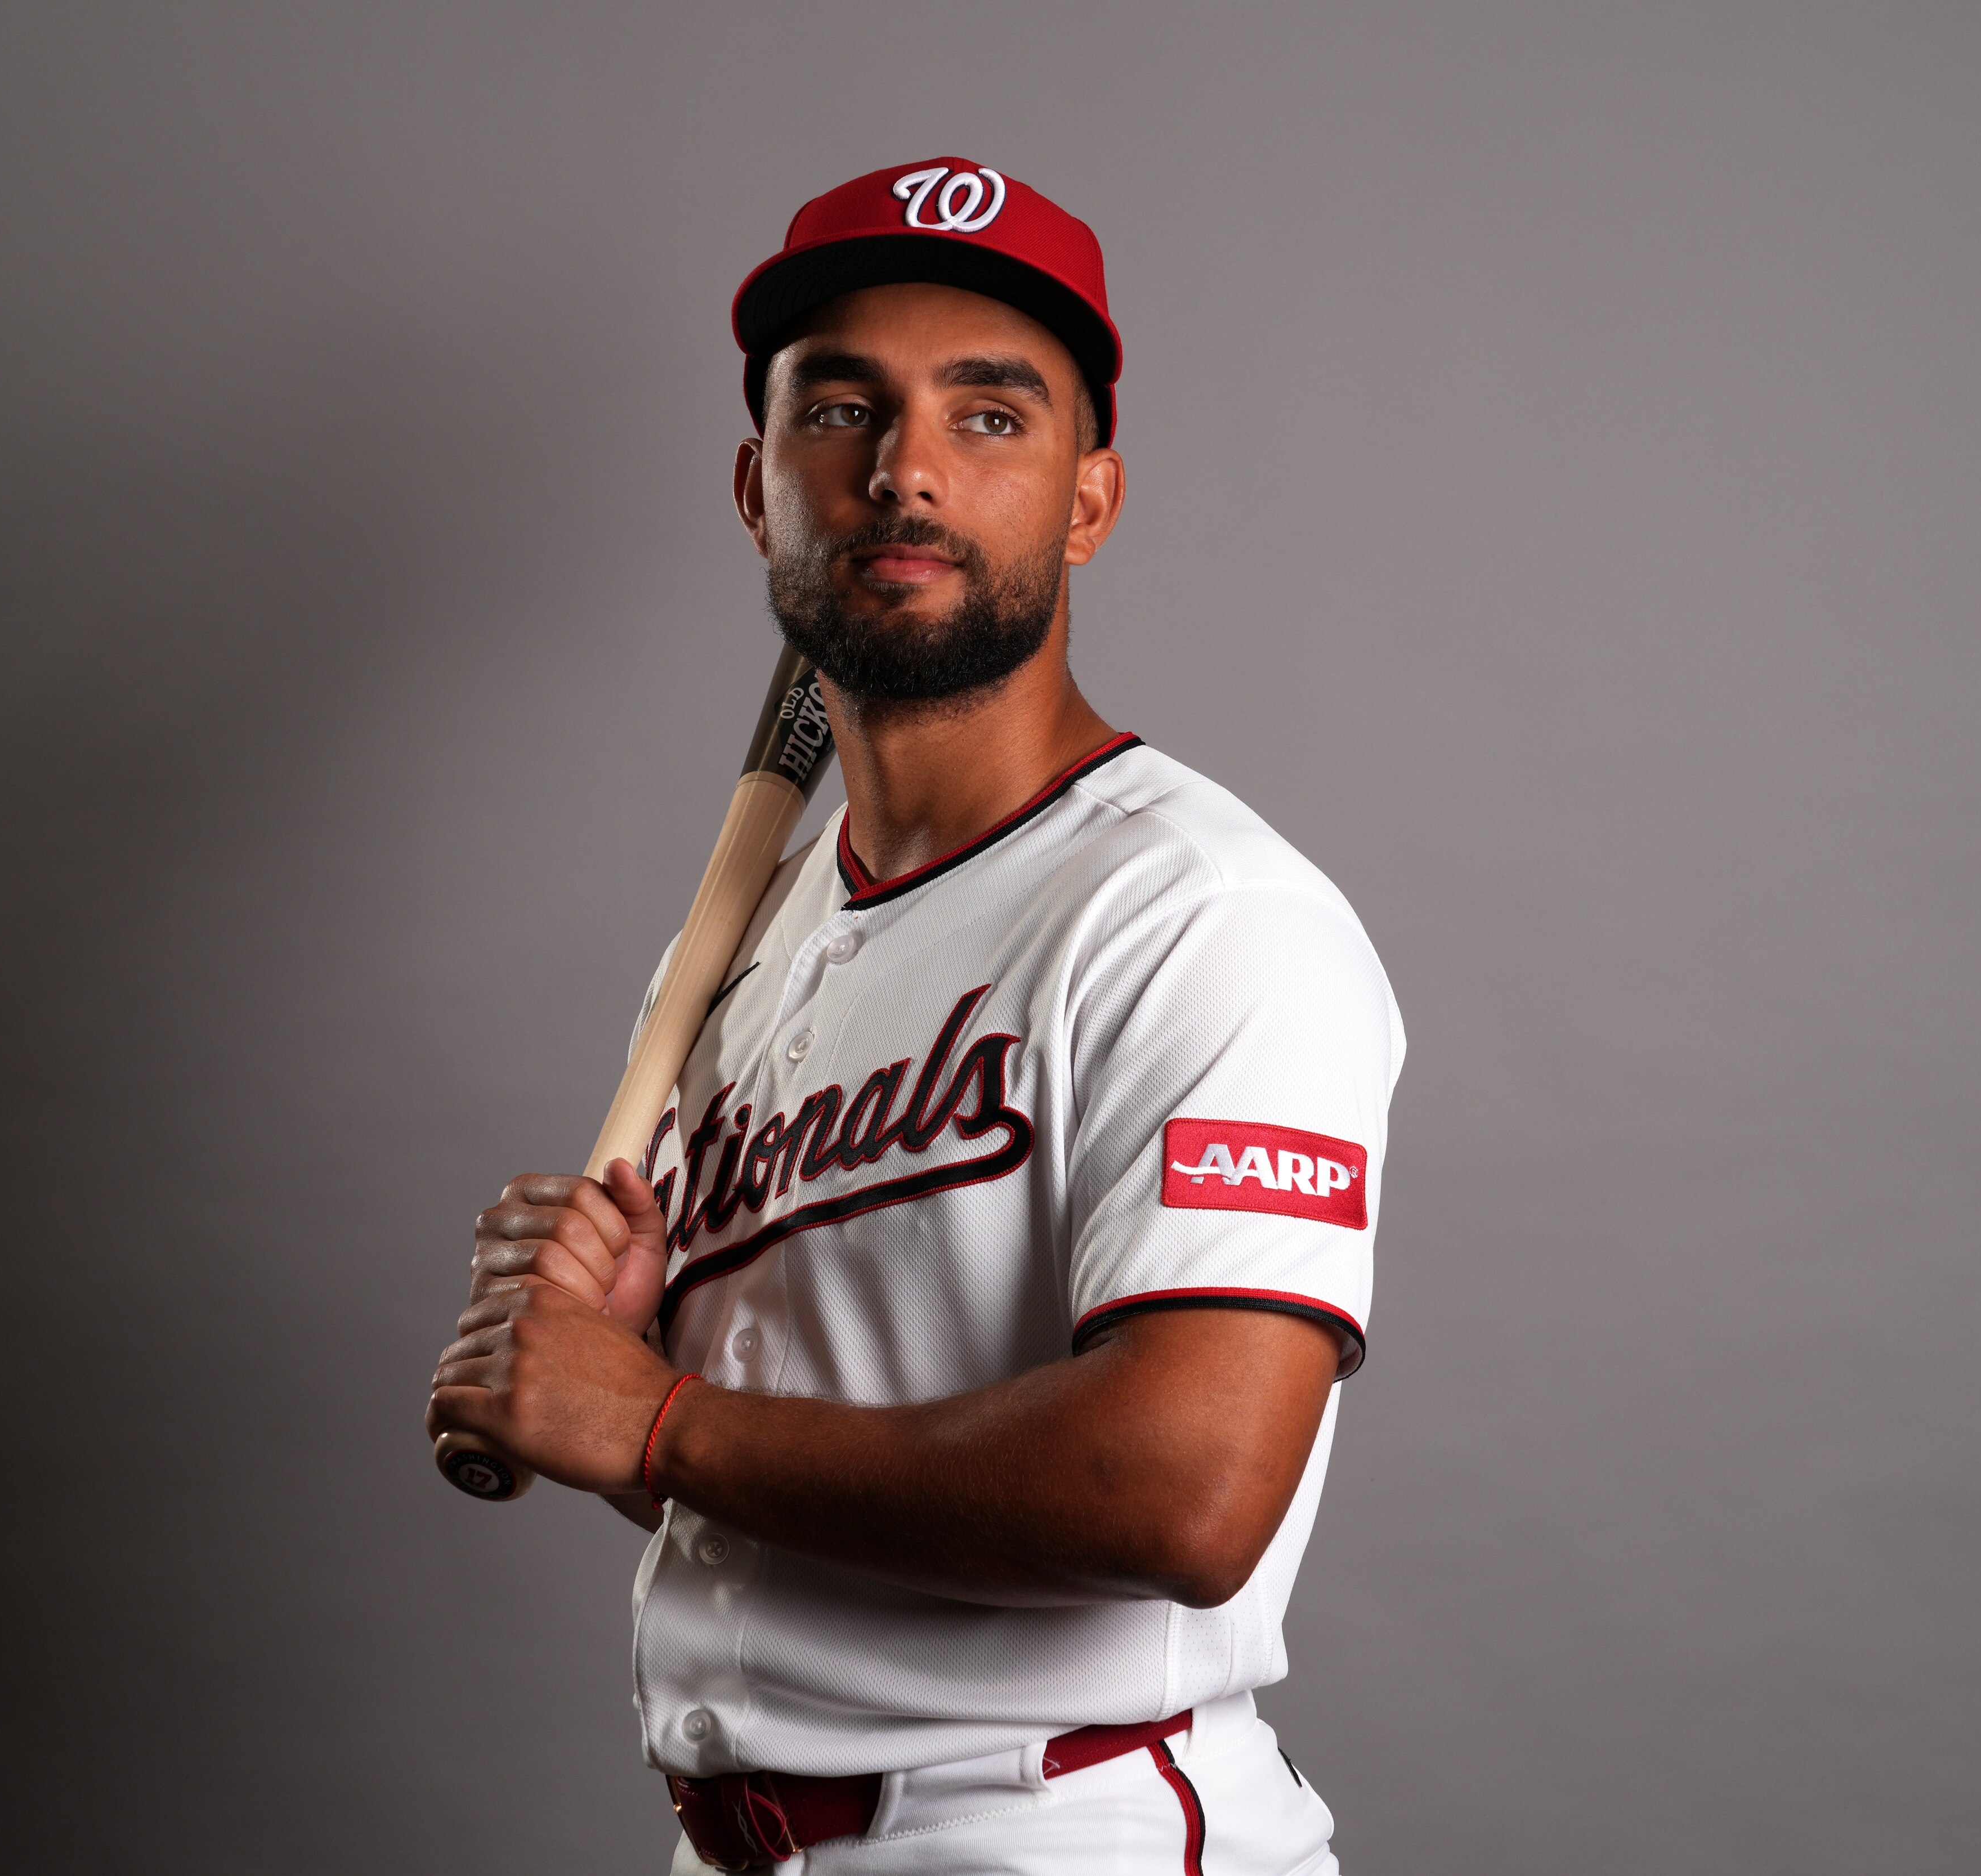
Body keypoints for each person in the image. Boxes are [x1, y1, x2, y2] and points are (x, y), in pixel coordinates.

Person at [428, 160, 1404, 1875]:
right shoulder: (738, 943)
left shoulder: (1203, 915)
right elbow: (775, 1475)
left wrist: (658, 1419)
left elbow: (1185, 1492)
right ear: (759, 488)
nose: (907, 469)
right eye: (842, 409)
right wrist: (621, 1372)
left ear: (1090, 502)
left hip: (1064, 1829)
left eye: (990, 415)